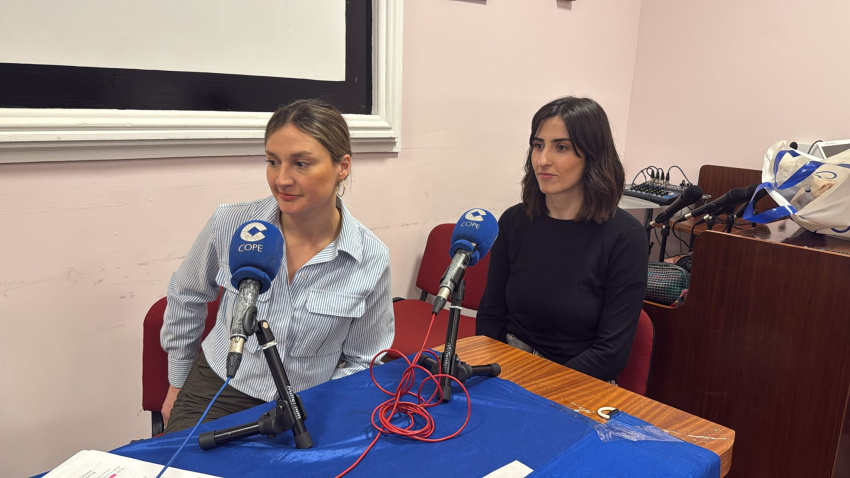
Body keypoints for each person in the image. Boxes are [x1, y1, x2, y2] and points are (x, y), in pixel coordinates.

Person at [160, 99, 394, 433]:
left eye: (301, 163)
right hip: (223, 387)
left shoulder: (370, 257)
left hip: (310, 398)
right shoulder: (230, 223)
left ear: (342, 167)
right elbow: (186, 294)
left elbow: (363, 357)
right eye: (272, 161)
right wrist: (177, 383)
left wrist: (330, 405)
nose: (281, 179)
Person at [476, 96, 648, 383]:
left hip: (578, 379)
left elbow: (611, 352)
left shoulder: (625, 237)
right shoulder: (514, 222)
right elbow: (491, 315)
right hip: (509, 365)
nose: (542, 160)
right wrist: (495, 374)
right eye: (538, 145)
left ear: (593, 155)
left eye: (561, 147)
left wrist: (537, 388)